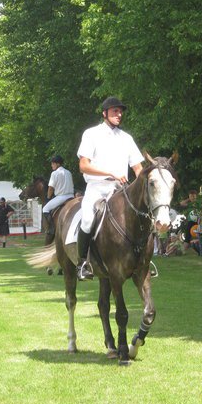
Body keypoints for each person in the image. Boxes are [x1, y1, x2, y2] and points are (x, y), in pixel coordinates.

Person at [76, 96, 144, 280]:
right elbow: (83, 166)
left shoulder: (127, 138)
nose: (119, 114)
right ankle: (82, 263)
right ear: (104, 113)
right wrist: (111, 173)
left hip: (120, 190)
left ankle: (144, 261)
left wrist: (145, 183)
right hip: (97, 187)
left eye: (120, 111)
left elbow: (138, 168)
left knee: (141, 217)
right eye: (115, 111)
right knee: (88, 219)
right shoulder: (91, 134)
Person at [42, 155, 75, 241]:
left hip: (61, 197)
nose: (51, 165)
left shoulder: (54, 173)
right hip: (71, 196)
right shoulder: (68, 172)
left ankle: (52, 229)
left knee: (45, 209)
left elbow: (51, 188)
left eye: (52, 163)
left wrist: (48, 198)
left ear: (57, 164)